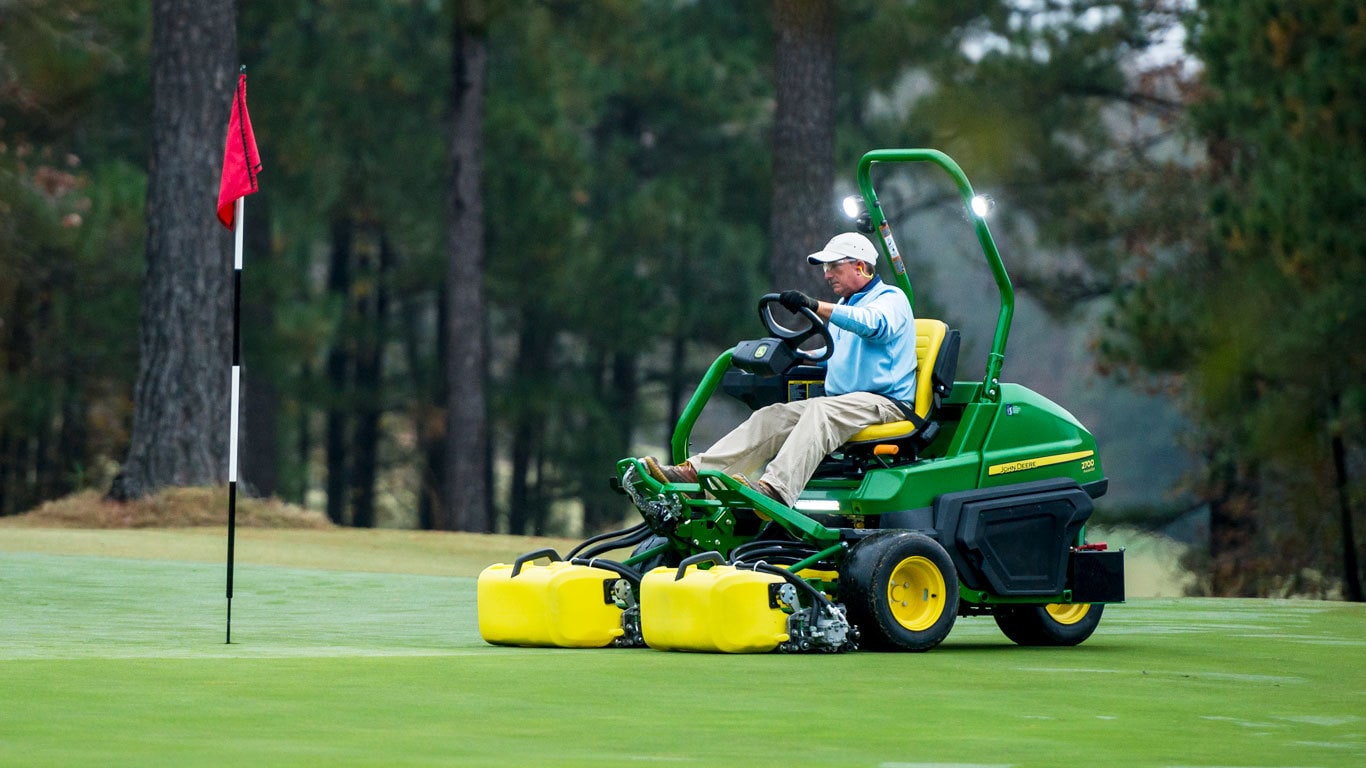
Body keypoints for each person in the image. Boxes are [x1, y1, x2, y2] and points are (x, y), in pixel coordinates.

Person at [642, 232, 917, 506]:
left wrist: (814, 305)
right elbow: (833, 354)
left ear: (860, 266)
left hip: (886, 404)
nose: (827, 275)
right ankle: (695, 476)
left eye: (834, 266)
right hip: (845, 405)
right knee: (772, 415)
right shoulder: (847, 306)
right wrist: (798, 355)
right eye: (825, 268)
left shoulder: (890, 299)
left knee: (821, 410)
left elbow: (873, 326)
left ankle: (775, 491)